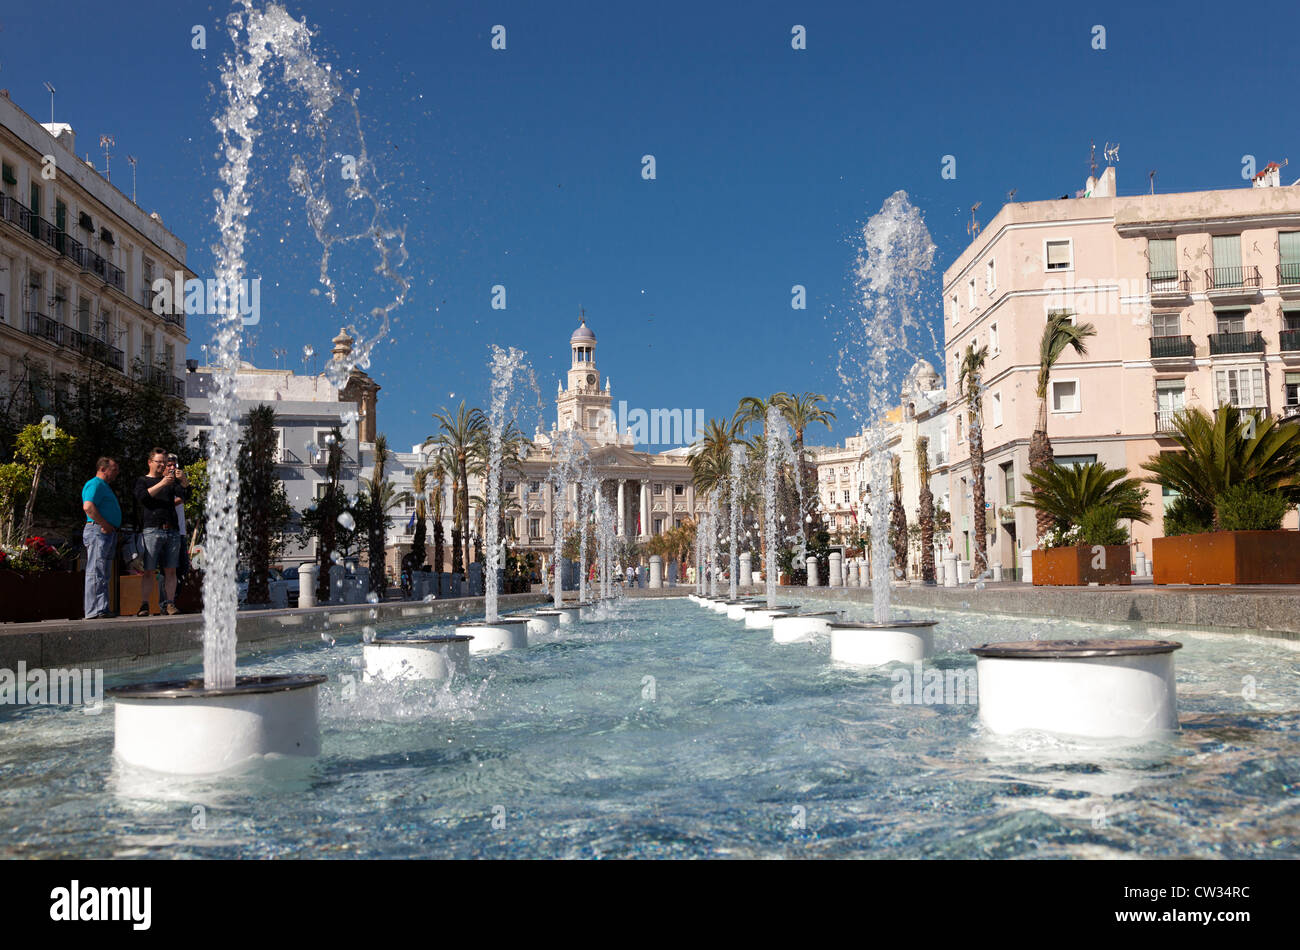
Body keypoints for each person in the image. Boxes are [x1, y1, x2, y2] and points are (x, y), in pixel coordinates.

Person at [134, 448, 191, 616]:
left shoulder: (171, 482)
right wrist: (162, 484)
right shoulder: (143, 480)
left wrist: (184, 481)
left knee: (171, 570)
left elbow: (185, 495)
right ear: (150, 462)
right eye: (159, 462)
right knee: (149, 570)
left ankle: (170, 603)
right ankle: (144, 604)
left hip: (172, 530)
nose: (162, 465)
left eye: (164, 462)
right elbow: (143, 497)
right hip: (152, 529)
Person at [82, 457, 121, 620]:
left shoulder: (104, 486)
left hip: (105, 532)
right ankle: (95, 610)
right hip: (98, 531)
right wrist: (104, 523)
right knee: (96, 571)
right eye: (114, 469)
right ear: (103, 469)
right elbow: (88, 506)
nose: (116, 473)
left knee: (103, 572)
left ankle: (101, 608)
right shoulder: (95, 484)